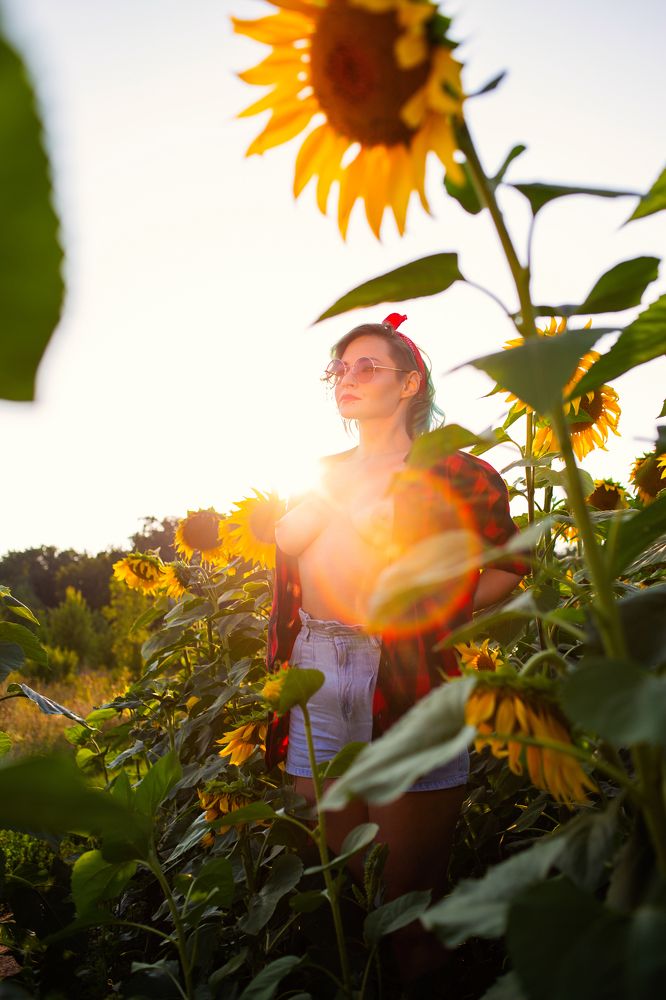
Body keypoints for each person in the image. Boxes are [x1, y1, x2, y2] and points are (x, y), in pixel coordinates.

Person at [266, 315, 528, 987]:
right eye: (338, 369)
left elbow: (512, 563)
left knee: (410, 908)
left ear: (411, 383)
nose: (346, 379)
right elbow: (292, 555)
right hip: (315, 674)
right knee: (353, 881)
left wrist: (437, 611)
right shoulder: (318, 475)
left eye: (366, 367)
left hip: (408, 673)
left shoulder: (453, 471)